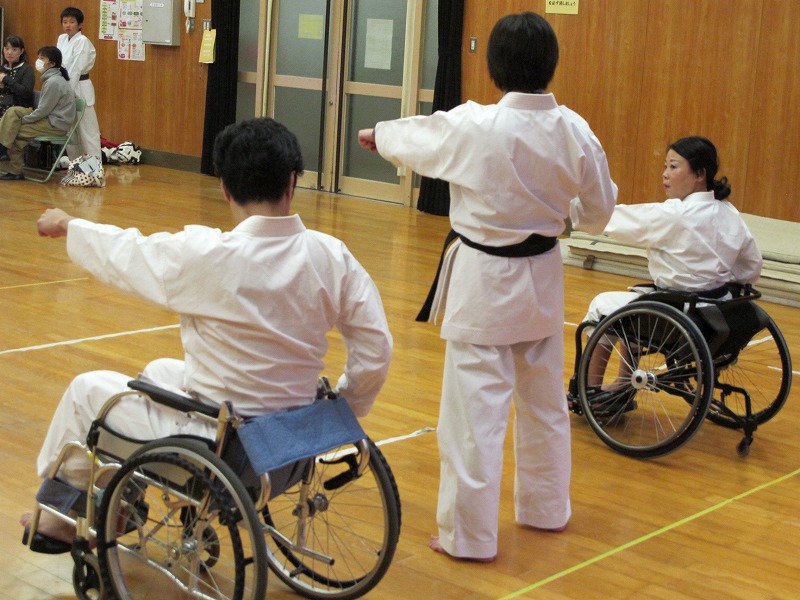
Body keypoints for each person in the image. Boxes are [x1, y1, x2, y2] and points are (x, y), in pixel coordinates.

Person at [22, 117, 393, 552]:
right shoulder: (332, 255)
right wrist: (346, 405)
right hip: (291, 439)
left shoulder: (207, 254)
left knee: (85, 391)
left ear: (225, 189)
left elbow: (128, 252)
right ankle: (123, 500)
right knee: (159, 370)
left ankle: (59, 518)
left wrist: (70, 224)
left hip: (225, 445)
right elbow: (376, 348)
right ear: (292, 182)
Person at [358, 12, 616, 562]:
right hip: (542, 277)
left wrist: (379, 136)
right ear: (551, 65)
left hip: (485, 283)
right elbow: (600, 212)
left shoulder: (476, 124)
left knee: (474, 414)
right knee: (544, 403)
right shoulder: (574, 129)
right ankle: (546, 509)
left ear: (494, 68)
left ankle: (469, 536)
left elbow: (421, 137)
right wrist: (563, 216)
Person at [576, 136, 762, 393]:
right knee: (639, 299)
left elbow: (610, 220)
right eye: (665, 166)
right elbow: (751, 265)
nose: (665, 174)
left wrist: (572, 208)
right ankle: (622, 384)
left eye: (673, 167)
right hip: (717, 310)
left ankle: (589, 391)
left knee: (602, 305)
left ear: (700, 174)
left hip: (681, 313)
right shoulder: (729, 212)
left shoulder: (675, 214)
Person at [0, 46, 75, 180]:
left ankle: (13, 168)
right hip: (48, 119)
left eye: (42, 58)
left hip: (55, 124)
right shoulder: (52, 79)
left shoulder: (54, 82)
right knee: (13, 111)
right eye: (38, 58)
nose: (38, 61)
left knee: (13, 130)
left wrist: (22, 121)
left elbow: (42, 111)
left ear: (52, 64)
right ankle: (2, 150)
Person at [58, 6, 101, 161]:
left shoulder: (83, 41)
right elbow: (58, 63)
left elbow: (76, 69)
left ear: (80, 24)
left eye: (72, 22)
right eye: (65, 22)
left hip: (80, 85)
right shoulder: (62, 39)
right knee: (69, 129)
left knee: (88, 130)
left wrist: (66, 90)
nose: (68, 25)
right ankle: (75, 165)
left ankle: (94, 167)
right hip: (65, 83)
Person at [0, 36, 35, 119]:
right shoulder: (2, 68)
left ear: (21, 51)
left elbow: (26, 93)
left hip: (17, 109)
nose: (9, 52)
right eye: (6, 49)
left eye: (14, 49)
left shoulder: (27, 69)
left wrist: (6, 79)